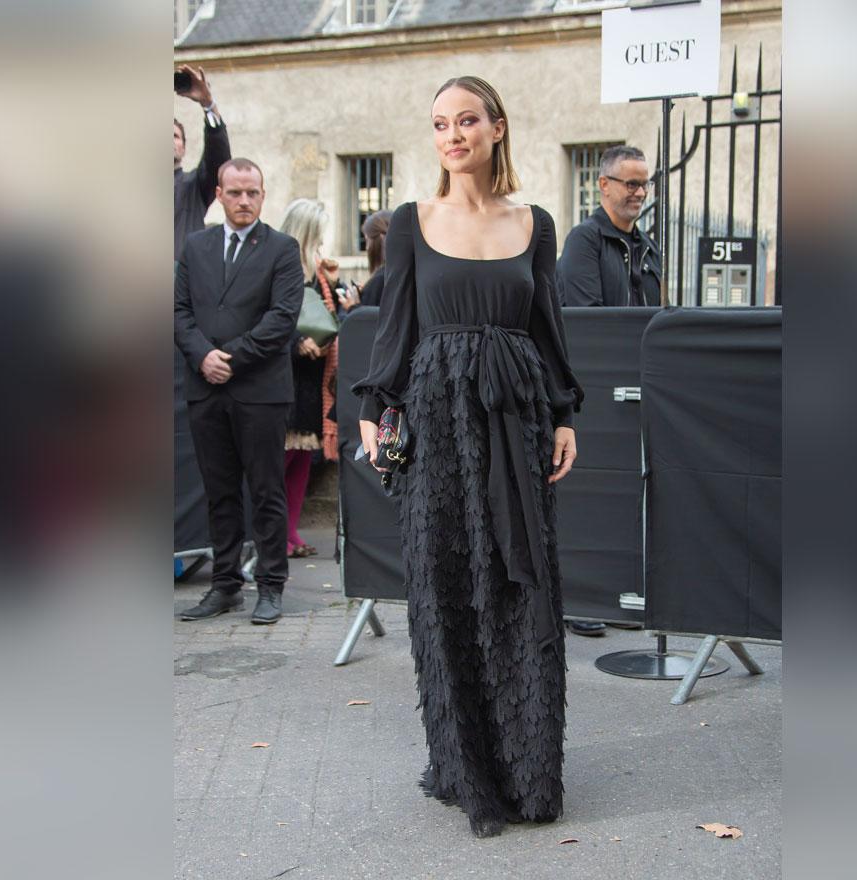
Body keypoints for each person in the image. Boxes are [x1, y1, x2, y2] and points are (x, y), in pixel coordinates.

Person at [352, 75, 583, 838]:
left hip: (516, 420)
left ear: (497, 128)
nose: (452, 135)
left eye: (466, 121)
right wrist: (373, 408)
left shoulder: (536, 223)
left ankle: (528, 768)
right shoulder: (413, 222)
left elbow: (547, 327)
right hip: (439, 416)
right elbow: (397, 325)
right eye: (440, 124)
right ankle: (466, 767)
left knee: (523, 582)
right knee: (447, 581)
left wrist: (562, 414)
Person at [174, 158, 304, 623]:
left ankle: (271, 585)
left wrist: (229, 357)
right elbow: (178, 311)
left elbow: (282, 318)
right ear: (220, 194)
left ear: (263, 195)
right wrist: (201, 356)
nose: (244, 201)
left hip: (261, 391)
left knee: (266, 490)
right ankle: (225, 584)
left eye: (252, 192)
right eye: (235, 193)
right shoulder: (195, 247)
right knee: (219, 491)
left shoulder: (283, 250)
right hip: (205, 390)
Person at [276, 198, 357, 558]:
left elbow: (327, 318)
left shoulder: (320, 272)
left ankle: (290, 533)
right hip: (285, 376)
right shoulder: (279, 267)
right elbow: (270, 317)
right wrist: (297, 344)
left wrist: (342, 298)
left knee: (301, 464)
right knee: (282, 461)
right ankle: (276, 535)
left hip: (313, 380)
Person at [555, 144, 663, 308]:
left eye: (645, 184)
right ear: (604, 184)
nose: (641, 193)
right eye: (632, 184)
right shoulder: (584, 240)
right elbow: (588, 320)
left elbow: (661, 315)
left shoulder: (650, 248)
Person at [174, 64, 231, 261]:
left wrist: (208, 104)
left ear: (183, 148)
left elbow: (219, 159)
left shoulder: (193, 187)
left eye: (174, 136)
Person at [357, 208, 392, 308]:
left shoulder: (380, 280)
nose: (367, 247)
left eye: (368, 241)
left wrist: (353, 307)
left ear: (381, 238)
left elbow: (368, 321)